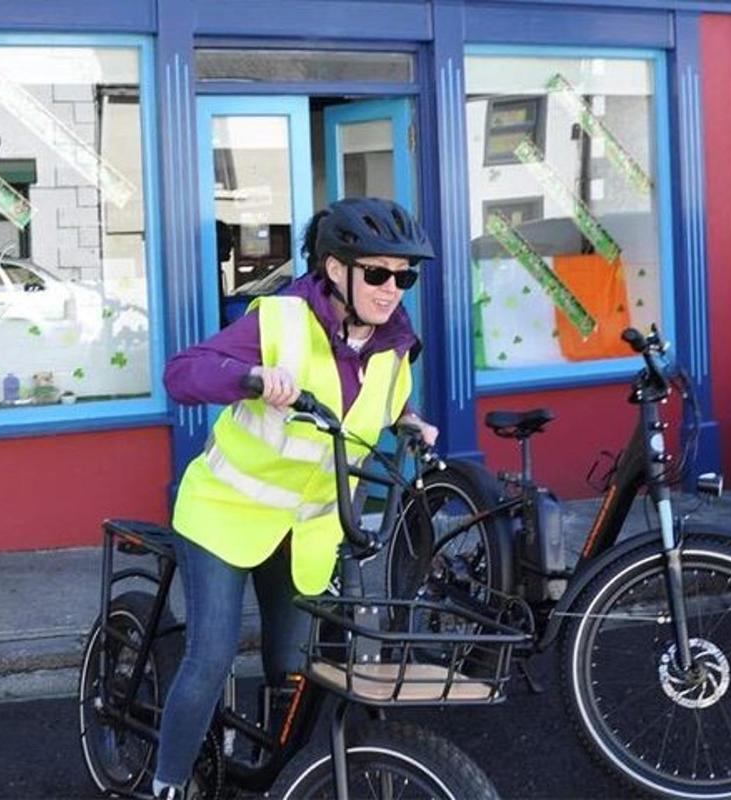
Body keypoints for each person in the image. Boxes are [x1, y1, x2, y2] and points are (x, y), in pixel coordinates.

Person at [154, 197, 438, 799]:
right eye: (379, 274)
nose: (394, 289)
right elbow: (182, 373)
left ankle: (261, 771)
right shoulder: (279, 321)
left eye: (405, 276)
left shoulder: (394, 344)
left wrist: (409, 419)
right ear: (336, 269)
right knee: (210, 659)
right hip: (224, 516)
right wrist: (248, 378)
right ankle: (167, 784)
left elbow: (379, 403)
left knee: (292, 665)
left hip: (306, 531)